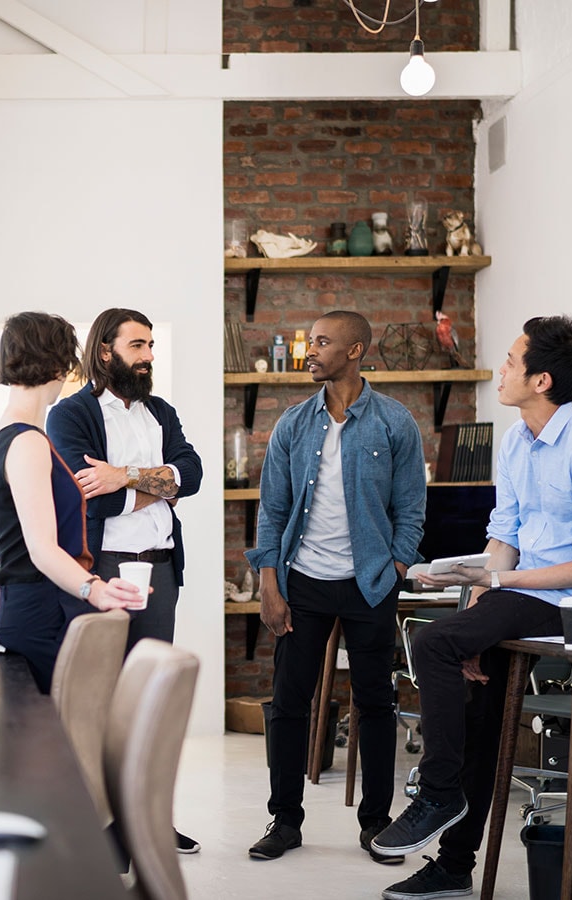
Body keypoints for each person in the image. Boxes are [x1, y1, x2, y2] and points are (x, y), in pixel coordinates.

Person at [372, 316, 572, 900]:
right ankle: (454, 868)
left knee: (432, 642)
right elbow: (504, 533)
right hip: (519, 592)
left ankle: (438, 793)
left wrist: (496, 588)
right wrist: (479, 605)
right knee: (478, 713)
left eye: (512, 362)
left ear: (541, 380)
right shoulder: (515, 440)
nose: (501, 370)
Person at [244, 311, 427, 866]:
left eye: (322, 342)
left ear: (355, 350)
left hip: (371, 584)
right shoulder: (294, 425)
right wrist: (270, 586)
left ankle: (376, 824)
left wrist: (395, 567)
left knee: (376, 702)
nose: (311, 350)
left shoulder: (395, 423)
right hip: (303, 582)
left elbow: (412, 510)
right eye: (311, 341)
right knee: (288, 704)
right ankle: (285, 819)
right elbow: (271, 513)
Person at [46, 306, 205, 854]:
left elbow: (194, 473)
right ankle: (103, 825)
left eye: (151, 345)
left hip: (160, 568)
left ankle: (149, 819)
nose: (149, 356)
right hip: (102, 570)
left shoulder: (160, 411)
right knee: (101, 701)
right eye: (138, 346)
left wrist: (125, 476)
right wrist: (157, 486)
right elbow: (85, 492)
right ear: (106, 349)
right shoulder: (70, 415)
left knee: (149, 700)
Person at [0, 311, 142, 694]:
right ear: (57, 364)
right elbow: (41, 549)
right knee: (62, 744)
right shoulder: (27, 442)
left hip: (28, 607)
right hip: (41, 613)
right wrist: (96, 589)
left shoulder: (0, 436)